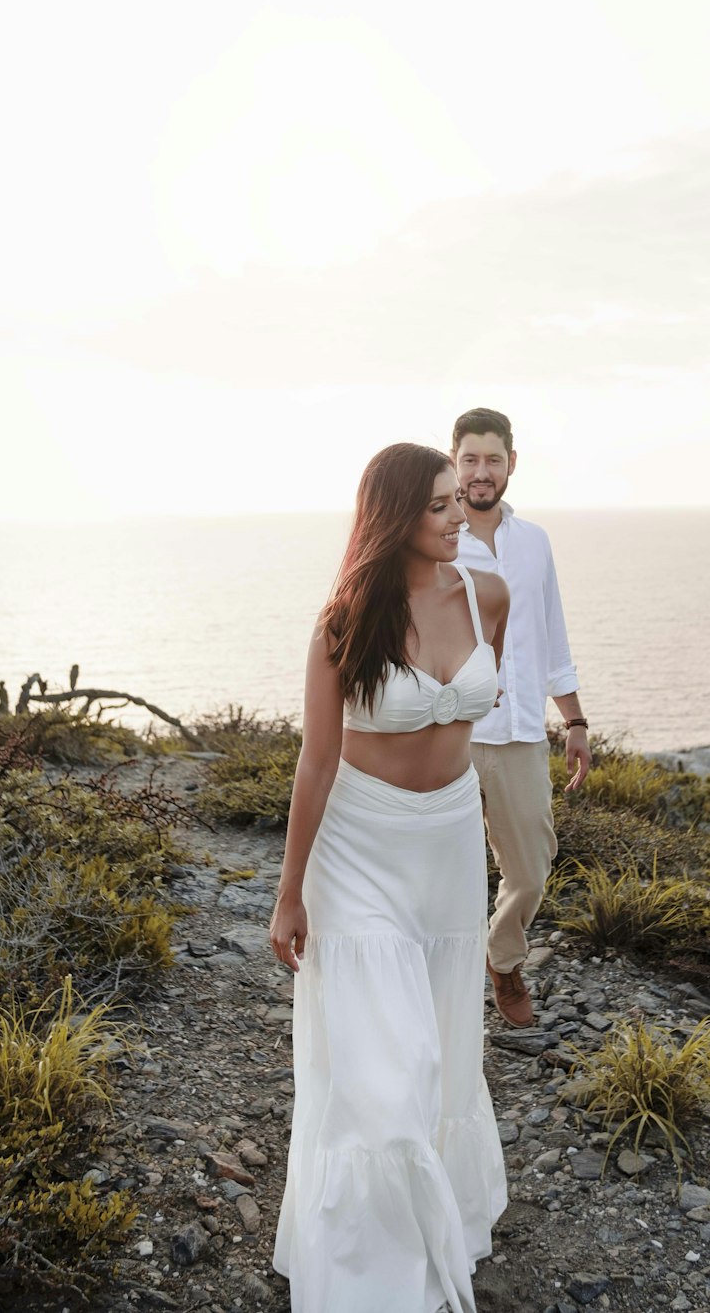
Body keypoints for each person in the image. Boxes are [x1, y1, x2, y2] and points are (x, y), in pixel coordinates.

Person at [270, 442, 510, 1313]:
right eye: (441, 505)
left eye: (462, 501)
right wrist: (290, 892)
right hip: (358, 849)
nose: (460, 516)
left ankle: (435, 1218)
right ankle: (371, 1268)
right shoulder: (344, 624)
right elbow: (315, 763)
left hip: (447, 845)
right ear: (397, 516)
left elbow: (480, 718)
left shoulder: (488, 597)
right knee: (387, 1059)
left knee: (442, 1049)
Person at [452, 407, 590, 1028]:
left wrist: (576, 723)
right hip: (445, 732)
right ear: (454, 462)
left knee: (531, 868)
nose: (482, 472)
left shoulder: (534, 542)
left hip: (518, 736)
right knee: (438, 870)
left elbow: (551, 635)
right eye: (470, 459)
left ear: (512, 464)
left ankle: (502, 962)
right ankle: (435, 988)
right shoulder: (432, 535)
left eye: (493, 459)